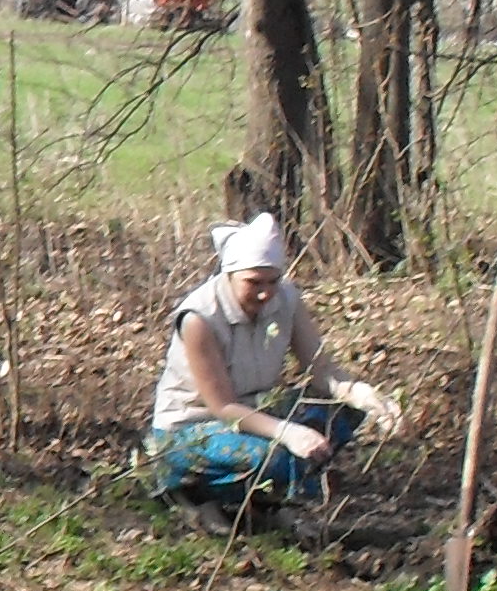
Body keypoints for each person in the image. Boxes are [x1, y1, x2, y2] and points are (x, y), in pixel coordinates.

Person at [144, 211, 397, 529]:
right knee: (278, 456)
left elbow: (320, 368)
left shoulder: (287, 299)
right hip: (191, 429)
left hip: (257, 409)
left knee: (340, 414)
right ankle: (191, 492)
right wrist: (287, 431)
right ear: (230, 275)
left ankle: (261, 501)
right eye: (253, 283)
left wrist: (361, 394)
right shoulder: (200, 318)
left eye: (273, 281)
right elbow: (223, 407)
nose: (265, 293)